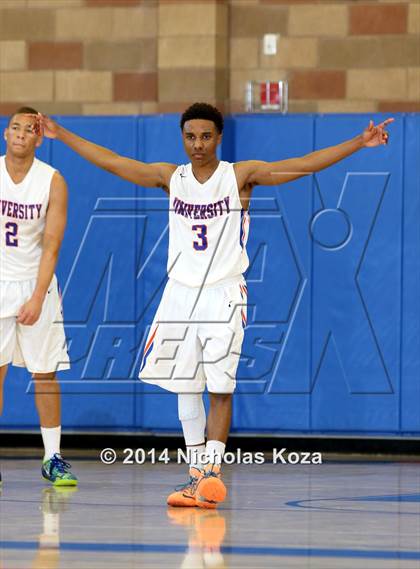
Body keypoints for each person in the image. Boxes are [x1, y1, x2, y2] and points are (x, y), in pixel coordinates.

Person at [37, 103, 392, 507]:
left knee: (220, 387)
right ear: (182, 138)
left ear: (219, 138)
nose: (198, 144)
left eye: (206, 136)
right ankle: (195, 476)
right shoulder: (172, 178)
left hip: (223, 292)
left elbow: (304, 163)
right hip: (180, 293)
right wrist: (61, 134)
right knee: (185, 386)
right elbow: (116, 163)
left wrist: (359, 143)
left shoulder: (239, 176)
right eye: (190, 136)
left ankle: (212, 471)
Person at [0, 107, 77, 487]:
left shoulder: (52, 181)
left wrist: (36, 295)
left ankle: (53, 457)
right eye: (14, 127)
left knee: (44, 373)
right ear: (5, 134)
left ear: (38, 138)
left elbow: (52, 246)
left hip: (36, 282)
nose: (19, 134)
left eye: (28, 129)